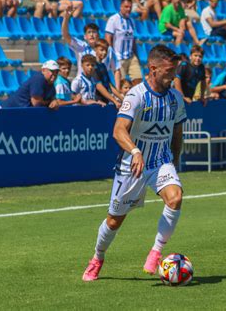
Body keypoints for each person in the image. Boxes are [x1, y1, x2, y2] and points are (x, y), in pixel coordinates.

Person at [81, 45, 186, 282]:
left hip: (161, 160)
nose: (174, 76)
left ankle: (156, 252)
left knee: (175, 198)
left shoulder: (176, 98)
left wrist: (175, 160)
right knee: (114, 220)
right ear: (153, 69)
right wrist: (136, 150)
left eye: (176, 70)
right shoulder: (136, 95)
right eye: (169, 71)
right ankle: (97, 257)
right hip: (132, 166)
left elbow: (177, 132)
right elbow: (118, 130)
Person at [62, 8, 121, 82]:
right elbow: (66, 35)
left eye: (94, 32)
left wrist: (118, 90)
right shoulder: (81, 46)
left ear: (99, 35)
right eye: (89, 32)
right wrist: (66, 18)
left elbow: (116, 70)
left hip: (102, 87)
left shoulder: (108, 49)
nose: (92, 35)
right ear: (85, 37)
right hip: (83, 86)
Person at [105, 0, 143, 88]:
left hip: (130, 56)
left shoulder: (131, 21)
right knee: (121, 83)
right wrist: (111, 55)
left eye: (130, 7)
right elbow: (108, 37)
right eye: (126, 7)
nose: (128, 9)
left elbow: (132, 40)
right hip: (118, 57)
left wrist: (136, 55)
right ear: (121, 7)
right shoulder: (113, 19)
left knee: (138, 80)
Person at [92, 39, 124, 108]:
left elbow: (109, 85)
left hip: (105, 102)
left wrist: (122, 99)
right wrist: (114, 101)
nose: (104, 53)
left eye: (106, 50)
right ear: (95, 49)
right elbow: (99, 86)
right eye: (101, 50)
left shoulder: (103, 65)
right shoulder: (93, 66)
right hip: (97, 103)